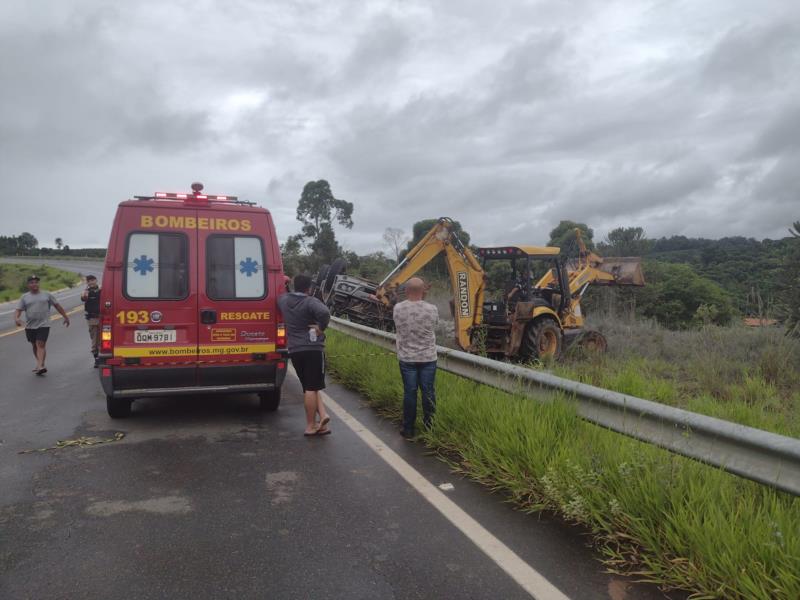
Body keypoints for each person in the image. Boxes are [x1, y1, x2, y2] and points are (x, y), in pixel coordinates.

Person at [277, 274, 332, 436]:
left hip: (295, 349)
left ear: (294, 285)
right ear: (309, 288)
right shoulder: (310, 301)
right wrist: (321, 327)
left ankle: (322, 419)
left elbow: (279, 297)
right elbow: (325, 313)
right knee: (311, 388)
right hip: (313, 348)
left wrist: (286, 285)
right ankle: (310, 426)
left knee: (309, 386)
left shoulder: (283, 301)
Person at [392, 277, 439, 439]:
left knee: (410, 392)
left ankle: (408, 429)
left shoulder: (398, 308)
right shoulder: (432, 309)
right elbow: (435, 324)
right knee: (428, 392)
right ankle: (429, 427)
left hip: (407, 358)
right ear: (423, 291)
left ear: (406, 291)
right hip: (428, 358)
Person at [14, 274, 71, 375]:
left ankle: (40, 366)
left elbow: (57, 306)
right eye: (32, 282)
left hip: (44, 324)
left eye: (36, 282)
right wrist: (17, 318)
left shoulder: (47, 294)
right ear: (28, 285)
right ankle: (40, 363)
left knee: (40, 344)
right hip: (30, 325)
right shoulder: (24, 297)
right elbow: (18, 310)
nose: (34, 284)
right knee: (34, 345)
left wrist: (65, 317)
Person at [80, 274, 101, 367]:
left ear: (96, 280)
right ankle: (96, 357)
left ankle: (103, 355)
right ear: (87, 282)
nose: (91, 282)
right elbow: (83, 298)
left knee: (104, 338)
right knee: (95, 338)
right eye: (89, 281)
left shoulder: (102, 290)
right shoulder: (86, 292)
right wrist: (85, 294)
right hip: (92, 318)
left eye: (93, 280)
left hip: (103, 317)